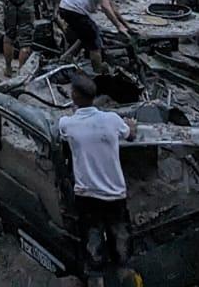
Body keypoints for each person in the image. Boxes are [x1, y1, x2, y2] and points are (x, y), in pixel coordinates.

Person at [58, 74, 136, 287]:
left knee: (93, 244)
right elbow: (131, 135)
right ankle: (124, 271)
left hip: (87, 196)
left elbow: (61, 130)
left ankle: (97, 278)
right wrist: (131, 124)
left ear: (74, 96)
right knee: (121, 242)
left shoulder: (68, 124)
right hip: (115, 194)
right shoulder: (112, 120)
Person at [58, 0, 133, 73]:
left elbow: (113, 8)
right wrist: (118, 26)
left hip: (65, 7)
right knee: (95, 41)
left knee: (86, 33)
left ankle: (67, 56)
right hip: (74, 11)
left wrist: (126, 26)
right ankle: (98, 70)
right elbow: (105, 6)